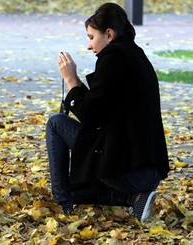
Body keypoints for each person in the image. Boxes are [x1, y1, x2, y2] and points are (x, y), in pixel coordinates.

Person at [46, 3, 170, 223]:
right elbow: (99, 110)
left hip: (131, 172)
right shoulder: (133, 55)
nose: (88, 45)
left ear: (109, 34)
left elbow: (90, 116)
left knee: (56, 123)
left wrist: (71, 79)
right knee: (87, 169)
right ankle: (135, 198)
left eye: (91, 37)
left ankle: (63, 202)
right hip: (147, 171)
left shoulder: (114, 59)